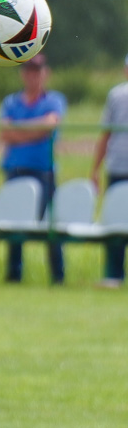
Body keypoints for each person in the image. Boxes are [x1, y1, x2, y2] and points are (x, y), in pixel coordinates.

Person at [0, 53, 66, 284]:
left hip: (43, 170)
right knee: (15, 224)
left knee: (50, 225)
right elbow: (5, 133)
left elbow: (49, 126)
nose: (33, 76)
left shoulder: (54, 100)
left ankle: (58, 276)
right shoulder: (11, 101)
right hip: (15, 169)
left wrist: (19, 131)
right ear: (22, 74)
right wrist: (34, 131)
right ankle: (13, 274)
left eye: (37, 71)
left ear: (45, 73)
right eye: (28, 71)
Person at [90, 54, 128, 288]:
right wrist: (95, 168)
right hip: (117, 165)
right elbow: (106, 134)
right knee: (115, 222)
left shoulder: (116, 94)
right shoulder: (116, 95)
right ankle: (113, 274)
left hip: (116, 165)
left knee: (117, 221)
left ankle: (114, 274)